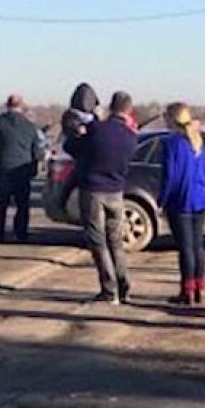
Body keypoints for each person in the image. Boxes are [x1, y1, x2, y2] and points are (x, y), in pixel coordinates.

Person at [67, 92, 139, 304]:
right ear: (129, 111)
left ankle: (109, 290)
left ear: (110, 106)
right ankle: (124, 286)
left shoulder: (96, 129)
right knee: (116, 242)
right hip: (117, 192)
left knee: (98, 242)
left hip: (93, 190)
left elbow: (72, 148)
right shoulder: (131, 137)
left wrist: (77, 134)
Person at [159, 103, 205, 305]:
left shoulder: (171, 143)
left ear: (172, 120)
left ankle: (186, 289)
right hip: (199, 197)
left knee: (185, 248)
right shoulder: (198, 141)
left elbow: (169, 176)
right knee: (198, 245)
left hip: (180, 199)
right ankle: (199, 287)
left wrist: (162, 201)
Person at [0, 94, 42, 243]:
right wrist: (34, 168)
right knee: (22, 205)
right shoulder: (29, 126)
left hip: (3, 169)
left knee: (0, 204)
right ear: (22, 106)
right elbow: (37, 151)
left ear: (7, 105)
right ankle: (21, 234)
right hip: (22, 170)